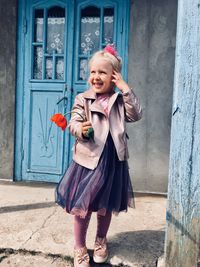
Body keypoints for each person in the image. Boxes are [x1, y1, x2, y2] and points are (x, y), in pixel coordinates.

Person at [55, 45, 142, 267]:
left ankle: (101, 240)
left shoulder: (120, 100)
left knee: (106, 205)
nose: (96, 77)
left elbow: (136, 114)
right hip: (88, 161)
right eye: (93, 72)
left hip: (113, 162)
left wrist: (125, 89)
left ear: (114, 77)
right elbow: (74, 121)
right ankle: (79, 247)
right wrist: (80, 130)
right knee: (82, 207)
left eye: (102, 72)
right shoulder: (83, 99)